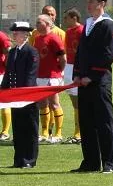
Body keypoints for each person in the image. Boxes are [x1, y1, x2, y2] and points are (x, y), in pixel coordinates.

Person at [71, 0, 113, 174]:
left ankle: (111, 163)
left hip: (99, 82)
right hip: (83, 82)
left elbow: (107, 56)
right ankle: (91, 162)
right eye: (88, 1)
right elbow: (80, 53)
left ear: (101, 3)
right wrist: (76, 74)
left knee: (105, 123)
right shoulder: (88, 24)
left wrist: (90, 76)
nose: (88, 5)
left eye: (92, 2)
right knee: (86, 123)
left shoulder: (108, 26)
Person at [3, 22, 39, 168]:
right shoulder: (12, 52)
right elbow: (8, 73)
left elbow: (31, 75)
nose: (14, 35)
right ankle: (19, 159)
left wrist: (26, 94)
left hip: (27, 97)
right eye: (14, 32)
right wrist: (3, 90)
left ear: (26, 34)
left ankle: (29, 159)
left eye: (17, 32)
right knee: (18, 129)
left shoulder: (32, 52)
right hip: (15, 97)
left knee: (29, 128)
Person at [32, 14, 66, 144]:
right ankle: (44, 133)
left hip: (52, 76)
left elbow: (63, 58)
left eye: (39, 22)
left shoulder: (54, 38)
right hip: (40, 76)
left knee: (54, 103)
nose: (36, 24)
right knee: (42, 104)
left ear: (47, 23)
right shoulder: (37, 38)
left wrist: (59, 72)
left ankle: (58, 133)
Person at [61, 9, 83, 144]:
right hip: (68, 68)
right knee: (74, 102)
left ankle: (79, 133)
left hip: (77, 67)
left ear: (74, 18)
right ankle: (78, 132)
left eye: (66, 18)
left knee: (79, 103)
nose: (64, 21)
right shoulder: (68, 32)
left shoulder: (82, 31)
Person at [0, 26, 10, 142]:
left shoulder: (1, 35)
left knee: (3, 102)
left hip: (0, 73)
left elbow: (7, 50)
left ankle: (5, 132)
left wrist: (7, 66)